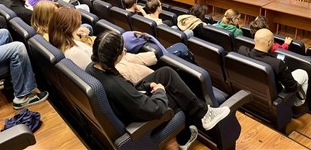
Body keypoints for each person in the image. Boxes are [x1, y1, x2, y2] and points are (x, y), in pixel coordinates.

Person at [86, 31, 231, 149]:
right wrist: (160, 91)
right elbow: (155, 109)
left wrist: (146, 86)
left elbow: (128, 90)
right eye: (122, 50)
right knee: (176, 94)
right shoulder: (116, 85)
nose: (124, 51)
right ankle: (201, 117)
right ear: (114, 56)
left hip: (128, 104)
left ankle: (199, 119)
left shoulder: (93, 67)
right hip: (140, 122)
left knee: (166, 73)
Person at [48, 7, 156, 84]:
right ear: (69, 27)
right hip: (110, 68)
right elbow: (96, 69)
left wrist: (82, 36)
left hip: (107, 61)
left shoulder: (65, 41)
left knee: (150, 56)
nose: (80, 23)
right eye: (77, 23)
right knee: (153, 71)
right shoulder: (74, 52)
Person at [238, 29, 308, 110]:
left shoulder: (241, 50)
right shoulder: (277, 64)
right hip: (274, 96)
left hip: (252, 91)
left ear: (254, 40)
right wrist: (285, 69)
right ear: (270, 43)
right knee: (303, 73)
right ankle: (298, 104)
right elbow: (292, 87)